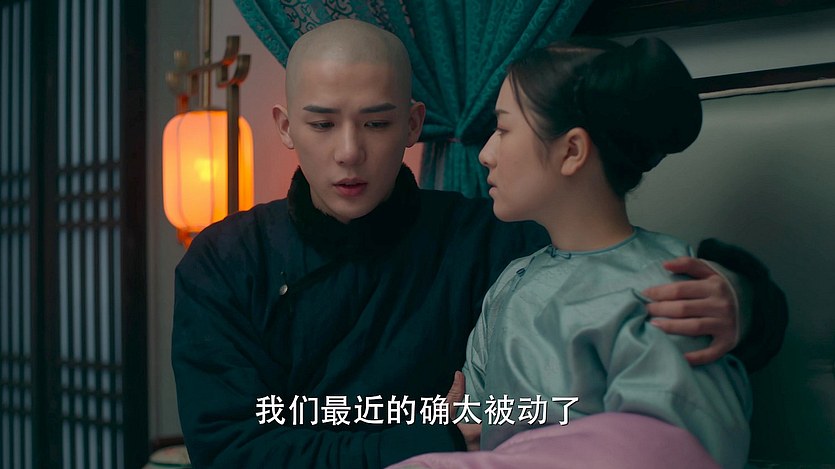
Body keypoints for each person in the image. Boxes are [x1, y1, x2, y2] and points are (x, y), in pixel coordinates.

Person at [171, 19, 786, 468]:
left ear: (413, 125)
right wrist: (435, 438)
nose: (349, 152)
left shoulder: (494, 244)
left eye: (377, 123)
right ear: (285, 127)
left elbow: (615, 274)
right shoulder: (225, 262)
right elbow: (230, 449)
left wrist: (743, 299)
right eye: (322, 123)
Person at [419, 37, 749, 467]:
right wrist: (457, 429)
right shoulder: (511, 282)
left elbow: (673, 451)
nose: (485, 154)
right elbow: (478, 424)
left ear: (572, 150)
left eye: (503, 130)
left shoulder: (669, 293)